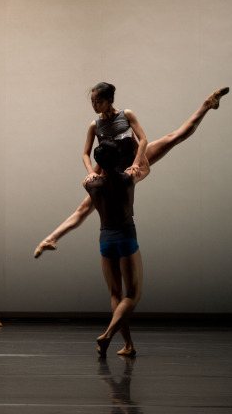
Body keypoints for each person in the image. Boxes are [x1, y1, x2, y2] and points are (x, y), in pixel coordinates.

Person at [34, 83, 229, 258]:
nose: (94, 106)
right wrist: (90, 172)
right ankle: (51, 239)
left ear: (109, 101)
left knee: (174, 137)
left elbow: (143, 139)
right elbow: (85, 153)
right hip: (109, 168)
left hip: (133, 158)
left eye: (98, 101)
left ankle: (207, 103)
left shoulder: (126, 115)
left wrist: (136, 163)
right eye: (92, 102)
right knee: (84, 208)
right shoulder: (95, 125)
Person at [84, 141, 149, 357]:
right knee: (133, 295)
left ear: (98, 162)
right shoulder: (127, 179)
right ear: (119, 160)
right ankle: (108, 335)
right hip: (126, 239)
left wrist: (94, 169)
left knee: (115, 294)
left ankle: (128, 344)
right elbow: (146, 167)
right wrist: (136, 144)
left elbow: (92, 175)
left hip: (106, 240)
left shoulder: (90, 185)